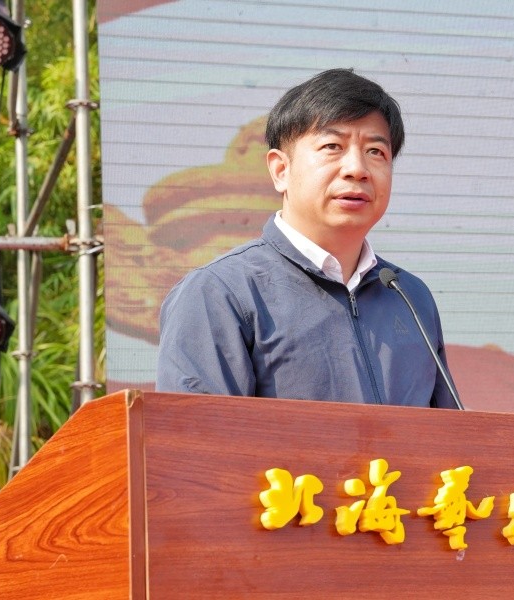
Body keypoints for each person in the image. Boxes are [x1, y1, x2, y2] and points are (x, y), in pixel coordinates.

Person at [156, 68, 459, 409]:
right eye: (332, 146)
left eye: (376, 151)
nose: (357, 169)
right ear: (280, 170)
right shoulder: (219, 293)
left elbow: (447, 435)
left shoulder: (409, 296)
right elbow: (194, 435)